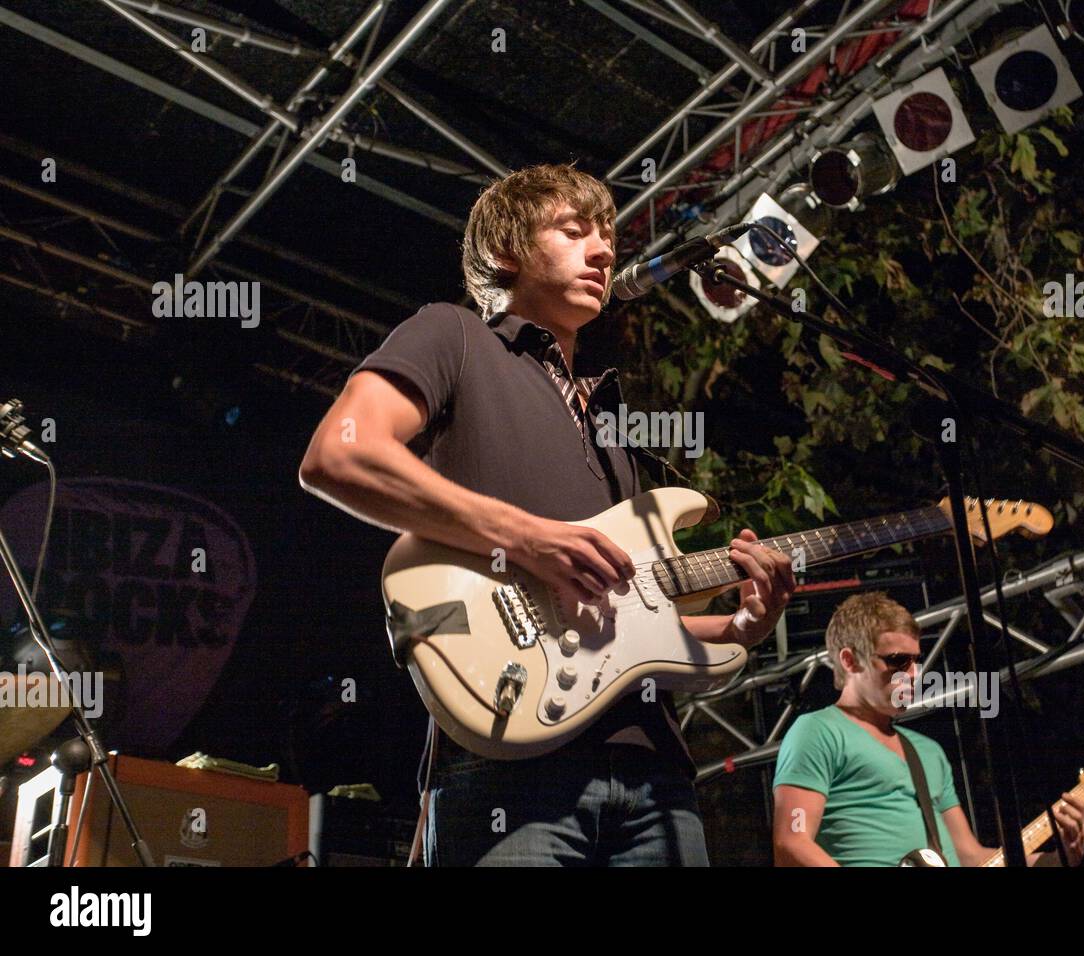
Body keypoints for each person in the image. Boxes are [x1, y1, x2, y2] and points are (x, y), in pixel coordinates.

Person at [298, 163, 795, 866]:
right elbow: (339, 455)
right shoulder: (456, 336)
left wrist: (743, 625)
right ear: (507, 251)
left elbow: (635, 623)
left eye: (609, 239)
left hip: (656, 773)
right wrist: (525, 538)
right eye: (574, 231)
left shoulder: (611, 424)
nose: (604, 252)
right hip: (509, 762)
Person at [772, 591, 1084, 867]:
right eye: (898, 661)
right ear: (850, 661)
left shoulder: (927, 751)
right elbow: (792, 843)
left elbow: (971, 857)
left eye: (916, 661)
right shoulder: (818, 731)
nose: (913, 674)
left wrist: (1058, 859)